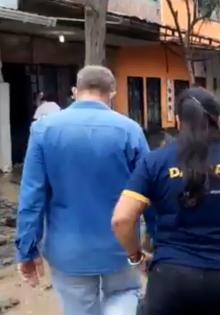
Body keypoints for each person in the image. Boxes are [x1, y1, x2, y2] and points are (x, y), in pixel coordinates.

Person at [111, 87, 220, 315]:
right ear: (219, 118)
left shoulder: (154, 162)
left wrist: (136, 256)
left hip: (173, 277)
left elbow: (121, 220)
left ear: (178, 119)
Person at [15, 65, 149, 315]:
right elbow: (149, 192)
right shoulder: (130, 131)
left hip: (68, 251)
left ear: (76, 91)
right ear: (113, 92)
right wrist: (159, 241)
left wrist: (27, 249)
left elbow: (32, 196)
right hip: (122, 247)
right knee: (125, 295)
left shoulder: (44, 130)